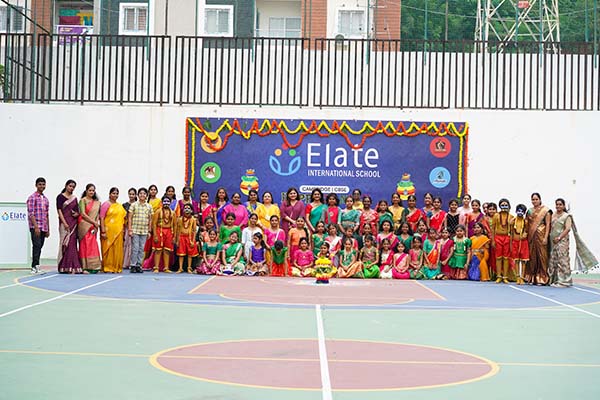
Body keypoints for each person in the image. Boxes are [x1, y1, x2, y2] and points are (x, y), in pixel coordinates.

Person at [524, 193, 551, 285]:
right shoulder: (529, 211)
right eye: (533, 199)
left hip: (541, 235)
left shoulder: (545, 210)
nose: (534, 201)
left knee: (542, 257)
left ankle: (543, 277)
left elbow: (548, 225)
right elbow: (527, 224)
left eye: (536, 199)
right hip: (531, 237)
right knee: (532, 257)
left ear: (540, 199)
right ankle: (531, 277)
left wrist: (546, 237)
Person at [56, 179, 82, 274]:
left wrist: (76, 214)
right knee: (64, 244)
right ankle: (63, 266)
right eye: (70, 186)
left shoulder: (74, 198)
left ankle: (73, 266)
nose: (71, 188)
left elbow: (77, 211)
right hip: (64, 224)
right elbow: (59, 211)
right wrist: (65, 223)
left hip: (73, 224)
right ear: (66, 185)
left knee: (72, 244)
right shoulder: (60, 197)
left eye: (73, 187)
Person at [99, 187, 127, 274]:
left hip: (118, 231)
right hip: (108, 231)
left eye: (116, 193)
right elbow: (102, 218)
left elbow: (124, 218)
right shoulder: (106, 204)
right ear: (109, 194)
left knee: (117, 250)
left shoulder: (119, 206)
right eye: (113, 193)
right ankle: (108, 267)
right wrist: (103, 231)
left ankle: (116, 267)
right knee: (108, 250)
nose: (115, 195)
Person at [27, 177, 50, 274]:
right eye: (40, 184)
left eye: (43, 184)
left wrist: (48, 229)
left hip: (43, 227)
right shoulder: (32, 197)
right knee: (36, 246)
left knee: (40, 246)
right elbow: (31, 213)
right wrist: (36, 227)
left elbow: (47, 214)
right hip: (35, 227)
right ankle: (33, 267)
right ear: (36, 185)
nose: (42, 186)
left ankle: (37, 266)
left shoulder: (45, 199)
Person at [548, 199, 573, 287]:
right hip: (553, 241)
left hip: (562, 241)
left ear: (564, 206)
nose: (558, 206)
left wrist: (559, 237)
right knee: (553, 260)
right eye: (557, 204)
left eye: (560, 204)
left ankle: (565, 281)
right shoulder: (553, 215)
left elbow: (568, 228)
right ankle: (555, 280)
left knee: (562, 260)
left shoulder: (567, 216)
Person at [128, 187, 153, 273]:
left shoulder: (149, 206)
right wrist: (130, 229)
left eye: (144, 194)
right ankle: (133, 265)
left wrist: (149, 231)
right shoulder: (134, 205)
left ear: (146, 196)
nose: (142, 195)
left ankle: (139, 265)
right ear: (138, 195)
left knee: (142, 249)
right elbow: (130, 217)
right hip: (135, 230)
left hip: (144, 231)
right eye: (141, 193)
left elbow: (150, 219)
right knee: (135, 248)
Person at [78, 184, 102, 273]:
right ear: (86, 191)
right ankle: (84, 267)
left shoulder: (97, 202)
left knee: (93, 246)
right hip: (84, 226)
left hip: (92, 227)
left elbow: (97, 215)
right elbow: (83, 214)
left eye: (93, 190)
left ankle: (94, 267)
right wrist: (94, 223)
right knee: (84, 246)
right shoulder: (82, 200)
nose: (91, 192)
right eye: (90, 190)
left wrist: (96, 225)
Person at [491, 198, 514, 284]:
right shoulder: (496, 216)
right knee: (498, 257)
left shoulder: (511, 217)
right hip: (498, 237)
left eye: (506, 205)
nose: (504, 206)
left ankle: (505, 276)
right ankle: (498, 276)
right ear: (500, 206)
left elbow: (512, 231)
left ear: (508, 206)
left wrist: (511, 242)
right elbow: (492, 229)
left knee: (506, 257)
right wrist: (493, 240)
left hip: (507, 238)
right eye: (502, 205)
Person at [152, 196, 175, 273]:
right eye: (164, 201)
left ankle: (166, 268)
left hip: (169, 232)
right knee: (158, 250)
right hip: (160, 231)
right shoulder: (158, 211)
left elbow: (174, 225)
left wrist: (174, 236)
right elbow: (154, 224)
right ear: (162, 202)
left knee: (167, 250)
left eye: (168, 201)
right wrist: (155, 235)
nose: (166, 203)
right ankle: (156, 267)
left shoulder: (172, 213)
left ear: (170, 202)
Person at [175, 204, 199, 274]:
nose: (187, 209)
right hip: (181, 237)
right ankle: (180, 268)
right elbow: (177, 230)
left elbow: (194, 231)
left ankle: (189, 267)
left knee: (190, 254)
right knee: (181, 254)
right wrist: (177, 240)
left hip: (190, 238)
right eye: (185, 208)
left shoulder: (193, 219)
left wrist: (193, 240)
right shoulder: (179, 219)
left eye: (189, 208)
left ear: (191, 210)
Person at [510, 204, 529, 285]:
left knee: (523, 261)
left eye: (522, 211)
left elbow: (527, 230)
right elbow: (510, 233)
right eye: (518, 211)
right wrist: (511, 243)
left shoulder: (525, 221)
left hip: (523, 243)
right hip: (515, 242)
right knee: (516, 260)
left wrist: (525, 234)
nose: (520, 212)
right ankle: (518, 276)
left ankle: (522, 277)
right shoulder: (513, 221)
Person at [122, 188, 137, 270]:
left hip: (136, 227)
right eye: (130, 194)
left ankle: (133, 263)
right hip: (127, 227)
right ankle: (125, 263)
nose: (131, 196)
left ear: (135, 195)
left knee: (134, 245)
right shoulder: (124, 205)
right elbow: (123, 217)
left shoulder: (138, 204)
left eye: (133, 194)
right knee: (126, 244)